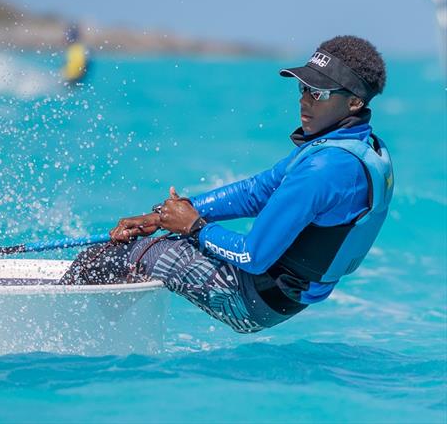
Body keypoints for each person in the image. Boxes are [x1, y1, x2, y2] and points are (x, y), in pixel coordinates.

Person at [60, 35, 394, 333]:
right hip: (280, 297)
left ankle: (66, 334)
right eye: (303, 88)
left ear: (354, 102)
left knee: (110, 256)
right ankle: (110, 324)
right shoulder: (358, 146)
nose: (304, 100)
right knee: (146, 248)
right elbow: (256, 192)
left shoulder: (323, 169)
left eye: (318, 93)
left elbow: (252, 256)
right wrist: (163, 217)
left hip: (252, 300)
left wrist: (193, 226)